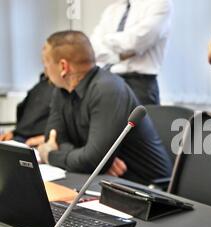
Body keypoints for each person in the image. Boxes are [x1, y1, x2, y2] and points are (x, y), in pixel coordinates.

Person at [38, 31, 172, 185]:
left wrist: (50, 155)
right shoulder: (61, 90)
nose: (45, 71)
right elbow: (54, 138)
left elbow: (92, 160)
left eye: (45, 63)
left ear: (63, 66)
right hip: (103, 183)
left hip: (148, 190)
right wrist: (93, 161)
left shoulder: (108, 89)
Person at [90, 0, 172, 106]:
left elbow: (134, 42)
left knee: (139, 122)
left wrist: (105, 40)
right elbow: (93, 48)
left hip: (139, 84)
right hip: (108, 80)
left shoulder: (159, 4)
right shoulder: (112, 9)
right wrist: (119, 55)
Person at [0, 73, 54, 146]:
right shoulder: (38, 87)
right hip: (20, 136)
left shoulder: (61, 91)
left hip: (37, 140)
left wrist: (45, 138)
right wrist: (13, 132)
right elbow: (24, 114)